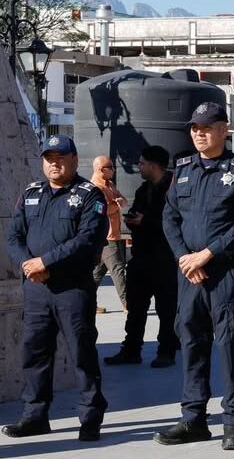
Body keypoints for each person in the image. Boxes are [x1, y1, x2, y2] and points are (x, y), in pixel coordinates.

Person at [155, 102, 234, 451]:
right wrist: (185, 257)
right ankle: (193, 418)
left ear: (223, 129)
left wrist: (207, 254)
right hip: (190, 273)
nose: (199, 133)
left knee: (229, 343)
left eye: (206, 127)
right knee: (191, 342)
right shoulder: (183, 168)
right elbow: (170, 217)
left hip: (224, 271)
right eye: (194, 128)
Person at [4, 134, 109, 441]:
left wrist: (45, 263)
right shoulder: (31, 192)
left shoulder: (90, 195)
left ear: (74, 160)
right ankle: (34, 415)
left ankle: (90, 417)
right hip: (36, 289)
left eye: (60, 158)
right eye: (49, 158)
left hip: (72, 289)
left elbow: (86, 240)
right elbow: (14, 236)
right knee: (34, 353)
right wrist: (28, 264)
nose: (54, 163)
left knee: (81, 353)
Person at [104, 145, 179, 367]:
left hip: (165, 259)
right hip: (141, 258)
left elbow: (175, 223)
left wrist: (145, 221)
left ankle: (166, 351)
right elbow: (139, 214)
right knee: (136, 308)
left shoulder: (174, 189)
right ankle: (131, 350)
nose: (139, 167)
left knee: (166, 310)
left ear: (154, 165)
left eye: (142, 163)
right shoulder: (143, 190)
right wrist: (134, 220)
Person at [90, 155, 128, 314]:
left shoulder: (110, 185)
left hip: (115, 234)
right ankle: (128, 303)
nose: (113, 169)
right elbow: (99, 211)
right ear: (100, 170)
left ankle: (87, 303)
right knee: (118, 270)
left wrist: (118, 202)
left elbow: (123, 201)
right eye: (110, 167)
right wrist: (115, 204)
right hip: (107, 237)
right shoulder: (94, 188)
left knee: (97, 273)